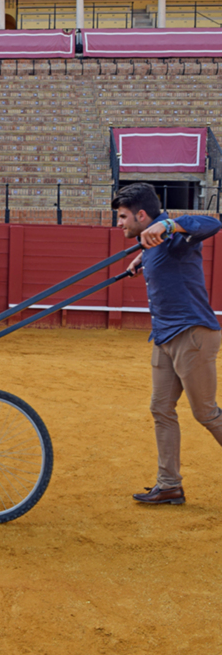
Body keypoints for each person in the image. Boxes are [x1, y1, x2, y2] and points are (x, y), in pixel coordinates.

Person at [113, 182, 222, 505]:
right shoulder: (152, 245)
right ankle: (169, 484)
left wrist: (170, 223)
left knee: (206, 414)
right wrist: (142, 260)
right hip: (163, 337)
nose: (119, 223)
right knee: (161, 409)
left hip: (192, 335)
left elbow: (214, 223)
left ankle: (170, 483)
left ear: (142, 215)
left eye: (122, 217)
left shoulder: (174, 236)